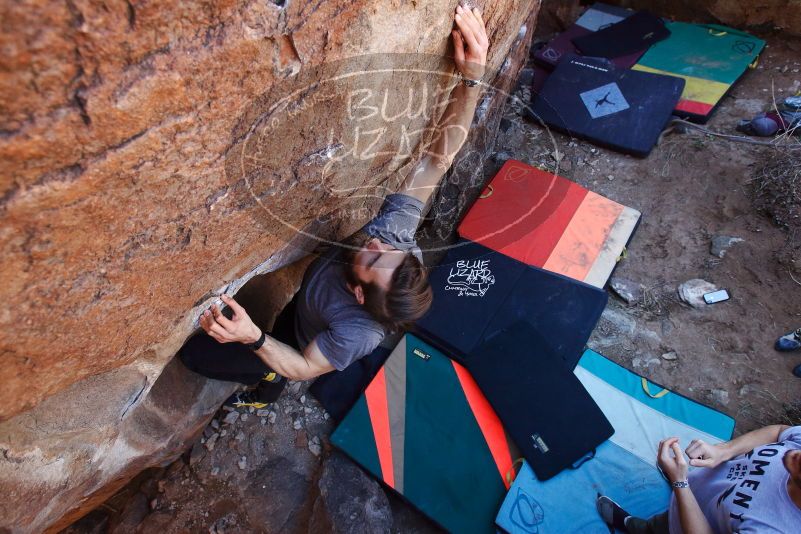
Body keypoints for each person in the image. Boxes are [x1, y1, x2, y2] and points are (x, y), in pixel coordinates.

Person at [179, 4, 491, 408]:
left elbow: (305, 367)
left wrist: (253, 338)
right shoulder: (392, 240)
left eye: (376, 261)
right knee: (290, 313)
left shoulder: (355, 334)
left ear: (359, 296)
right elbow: (436, 160)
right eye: (394, 251)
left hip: (303, 337)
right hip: (305, 302)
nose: (379, 244)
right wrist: (473, 79)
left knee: (203, 356)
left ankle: (266, 387)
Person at [596, 424, 801, 533]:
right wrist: (723, 451)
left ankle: (638, 526)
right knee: (666, 519)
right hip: (691, 498)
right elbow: (781, 431)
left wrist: (680, 482)